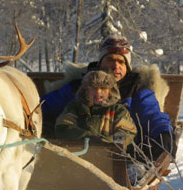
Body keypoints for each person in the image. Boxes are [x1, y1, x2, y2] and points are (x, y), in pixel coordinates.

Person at [41, 35, 174, 163]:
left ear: (127, 67)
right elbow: (43, 105)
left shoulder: (137, 88)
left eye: (121, 61)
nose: (116, 66)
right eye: (110, 59)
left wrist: (163, 133)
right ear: (100, 62)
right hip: (74, 156)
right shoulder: (80, 86)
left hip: (121, 157)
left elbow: (152, 115)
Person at [54, 70, 137, 152]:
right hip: (78, 153)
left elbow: (127, 131)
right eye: (93, 88)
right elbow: (63, 127)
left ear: (110, 91)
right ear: (86, 90)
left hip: (111, 157)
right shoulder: (75, 107)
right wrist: (88, 138)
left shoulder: (118, 110)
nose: (98, 92)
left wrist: (107, 143)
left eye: (103, 88)